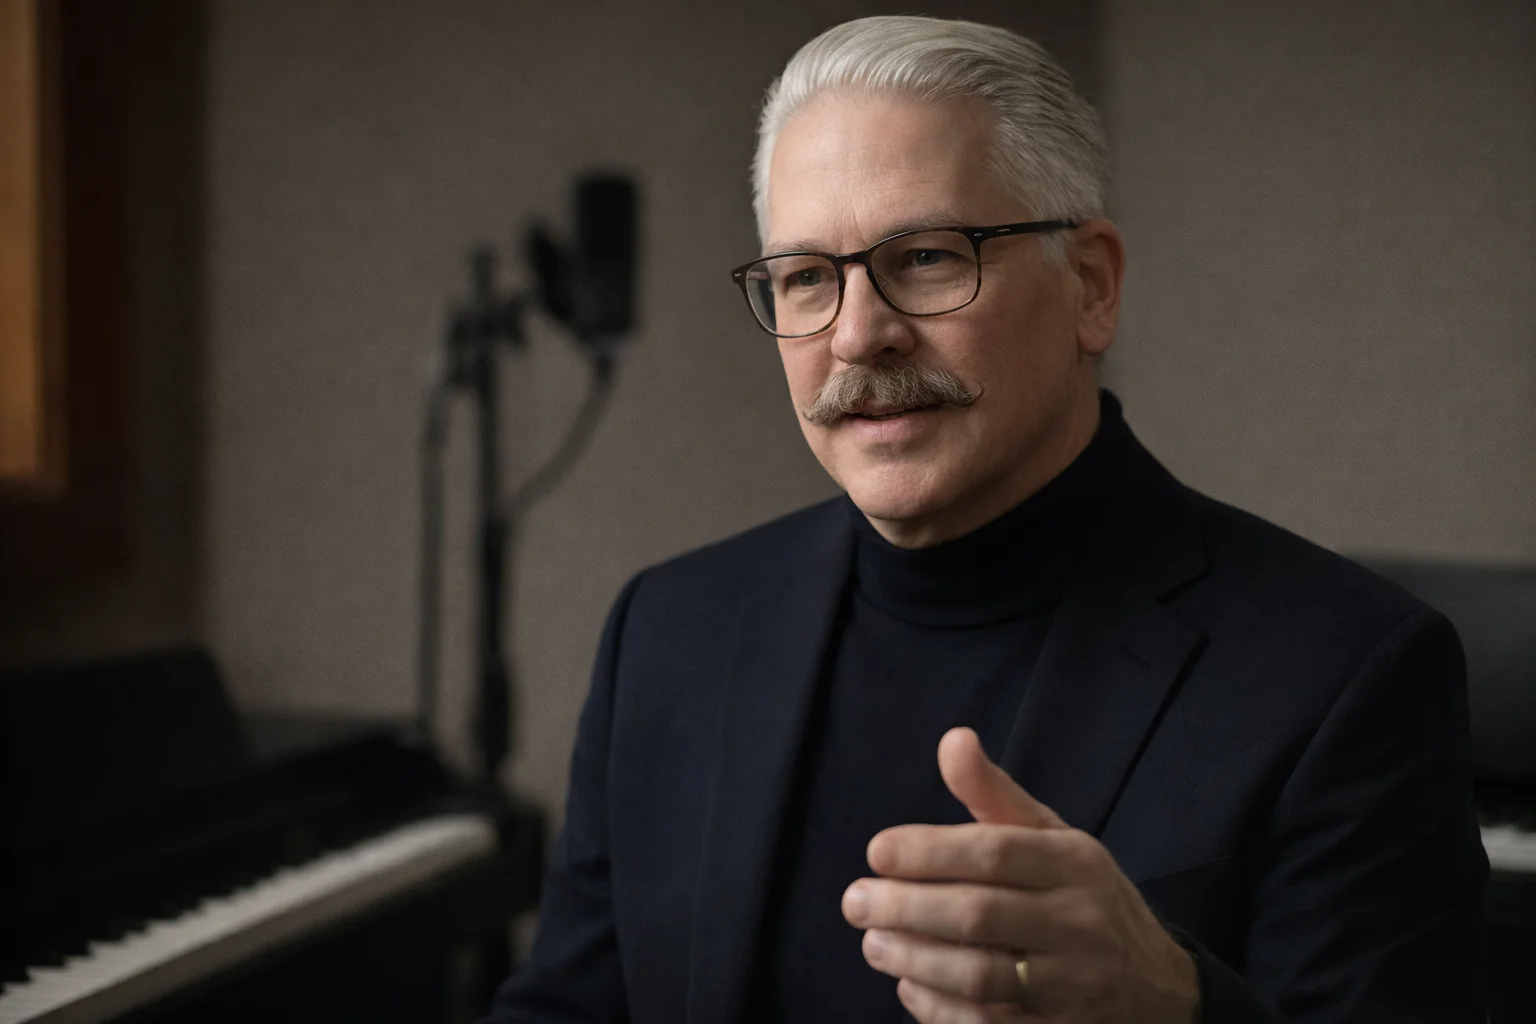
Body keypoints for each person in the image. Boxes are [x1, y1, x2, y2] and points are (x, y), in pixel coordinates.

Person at [484, 15, 1489, 1023]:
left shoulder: (1346, 671)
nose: (858, 335)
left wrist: (1172, 1005)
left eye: (924, 256)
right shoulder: (669, 630)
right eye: (805, 279)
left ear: (1090, 287)